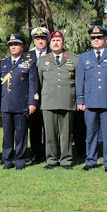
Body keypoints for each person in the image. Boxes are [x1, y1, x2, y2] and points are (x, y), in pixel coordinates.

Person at [76, 25, 107, 173]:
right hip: (90, 100)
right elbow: (80, 80)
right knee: (90, 133)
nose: (96, 40)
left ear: (105, 39)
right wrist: (80, 100)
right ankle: (90, 160)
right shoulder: (84, 57)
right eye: (93, 38)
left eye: (99, 37)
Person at [37, 31, 77, 169]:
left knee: (66, 133)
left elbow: (77, 80)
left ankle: (66, 160)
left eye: (58, 40)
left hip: (67, 100)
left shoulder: (74, 59)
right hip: (49, 100)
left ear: (63, 43)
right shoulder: (43, 60)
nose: (56, 43)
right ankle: (51, 160)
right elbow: (40, 80)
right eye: (53, 40)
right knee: (50, 133)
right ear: (50, 43)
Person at [0, 34, 39, 170]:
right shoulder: (3, 63)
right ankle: (7, 160)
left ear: (22, 46)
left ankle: (20, 160)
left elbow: (33, 84)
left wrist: (33, 102)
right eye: (11, 44)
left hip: (21, 105)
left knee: (21, 135)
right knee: (7, 135)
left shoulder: (29, 62)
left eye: (16, 44)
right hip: (6, 104)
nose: (13, 47)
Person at [27, 27, 49, 164]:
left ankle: (48, 153)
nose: (40, 41)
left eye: (42, 39)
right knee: (34, 128)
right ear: (34, 41)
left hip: (49, 96)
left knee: (48, 128)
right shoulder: (27, 56)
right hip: (32, 98)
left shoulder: (53, 54)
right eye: (37, 39)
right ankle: (35, 153)